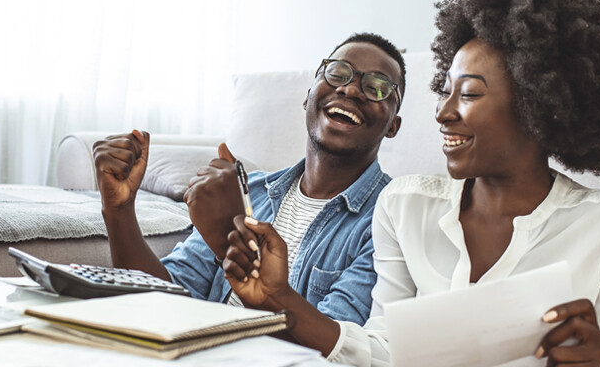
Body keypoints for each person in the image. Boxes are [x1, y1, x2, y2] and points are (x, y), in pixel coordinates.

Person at [221, 0, 600, 365]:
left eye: (468, 94)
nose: (442, 113)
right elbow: (381, 352)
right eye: (444, 91)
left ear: (538, 106)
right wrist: (278, 298)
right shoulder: (406, 206)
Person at [91, 32, 405, 331]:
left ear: (393, 125)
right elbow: (162, 298)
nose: (350, 90)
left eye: (377, 87)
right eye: (337, 73)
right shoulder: (250, 191)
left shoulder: (391, 219)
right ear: (309, 94)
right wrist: (119, 209)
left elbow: (338, 347)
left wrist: (226, 240)